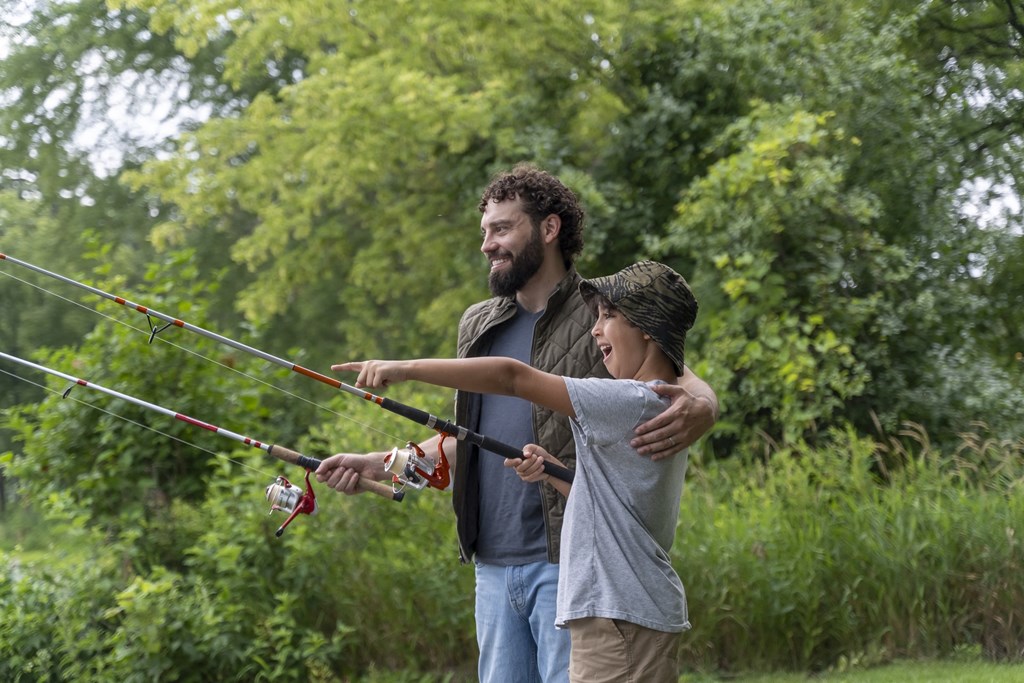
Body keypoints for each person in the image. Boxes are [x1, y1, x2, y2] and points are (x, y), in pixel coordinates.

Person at [316, 164, 717, 682]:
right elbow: (466, 437)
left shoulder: (605, 315)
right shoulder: (477, 323)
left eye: (502, 229)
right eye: (485, 231)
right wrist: (383, 463)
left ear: (549, 230)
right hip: (493, 564)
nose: (487, 244)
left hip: (571, 567)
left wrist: (705, 406)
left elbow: (675, 378)